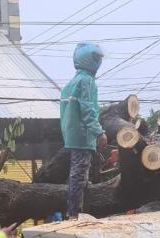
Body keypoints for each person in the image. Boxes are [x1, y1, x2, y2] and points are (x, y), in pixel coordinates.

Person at [60, 42, 107, 220]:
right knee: (80, 174)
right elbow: (88, 110)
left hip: (72, 135)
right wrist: (98, 132)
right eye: (97, 58)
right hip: (82, 135)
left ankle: (77, 209)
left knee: (78, 173)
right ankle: (74, 213)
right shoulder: (87, 81)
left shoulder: (71, 83)